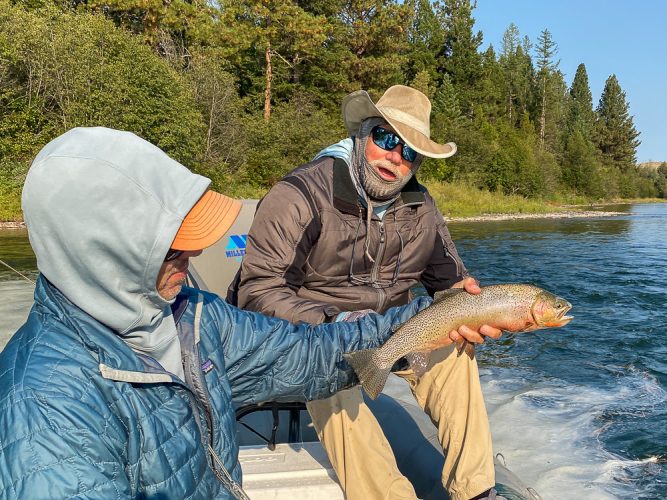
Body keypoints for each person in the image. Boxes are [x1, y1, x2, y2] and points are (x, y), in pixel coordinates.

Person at [0, 127, 431, 499]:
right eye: (172, 244)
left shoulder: (192, 316)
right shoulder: (46, 411)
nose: (197, 250)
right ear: (100, 253)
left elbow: (306, 353)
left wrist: (424, 322)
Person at [229, 85, 504, 500]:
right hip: (310, 334)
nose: (396, 158)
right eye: (387, 139)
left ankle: (476, 490)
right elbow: (257, 291)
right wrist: (335, 323)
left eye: (410, 152)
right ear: (362, 134)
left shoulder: (421, 209)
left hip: (390, 336)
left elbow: (451, 286)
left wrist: (482, 312)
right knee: (330, 365)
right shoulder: (301, 194)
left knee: (455, 354)